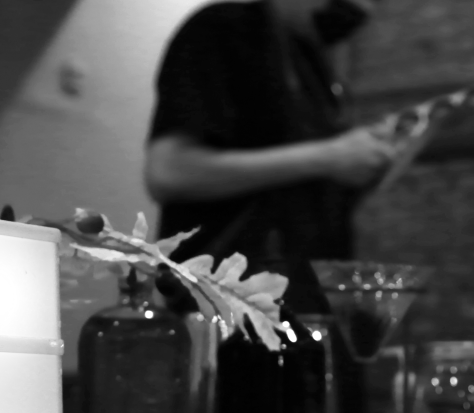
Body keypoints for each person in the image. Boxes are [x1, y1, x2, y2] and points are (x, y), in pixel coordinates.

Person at [144, 0, 394, 315]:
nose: (365, 8)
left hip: (308, 303)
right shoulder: (225, 29)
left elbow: (302, 190)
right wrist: (329, 157)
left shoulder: (312, 63)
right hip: (233, 309)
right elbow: (169, 171)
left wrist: (363, 166)